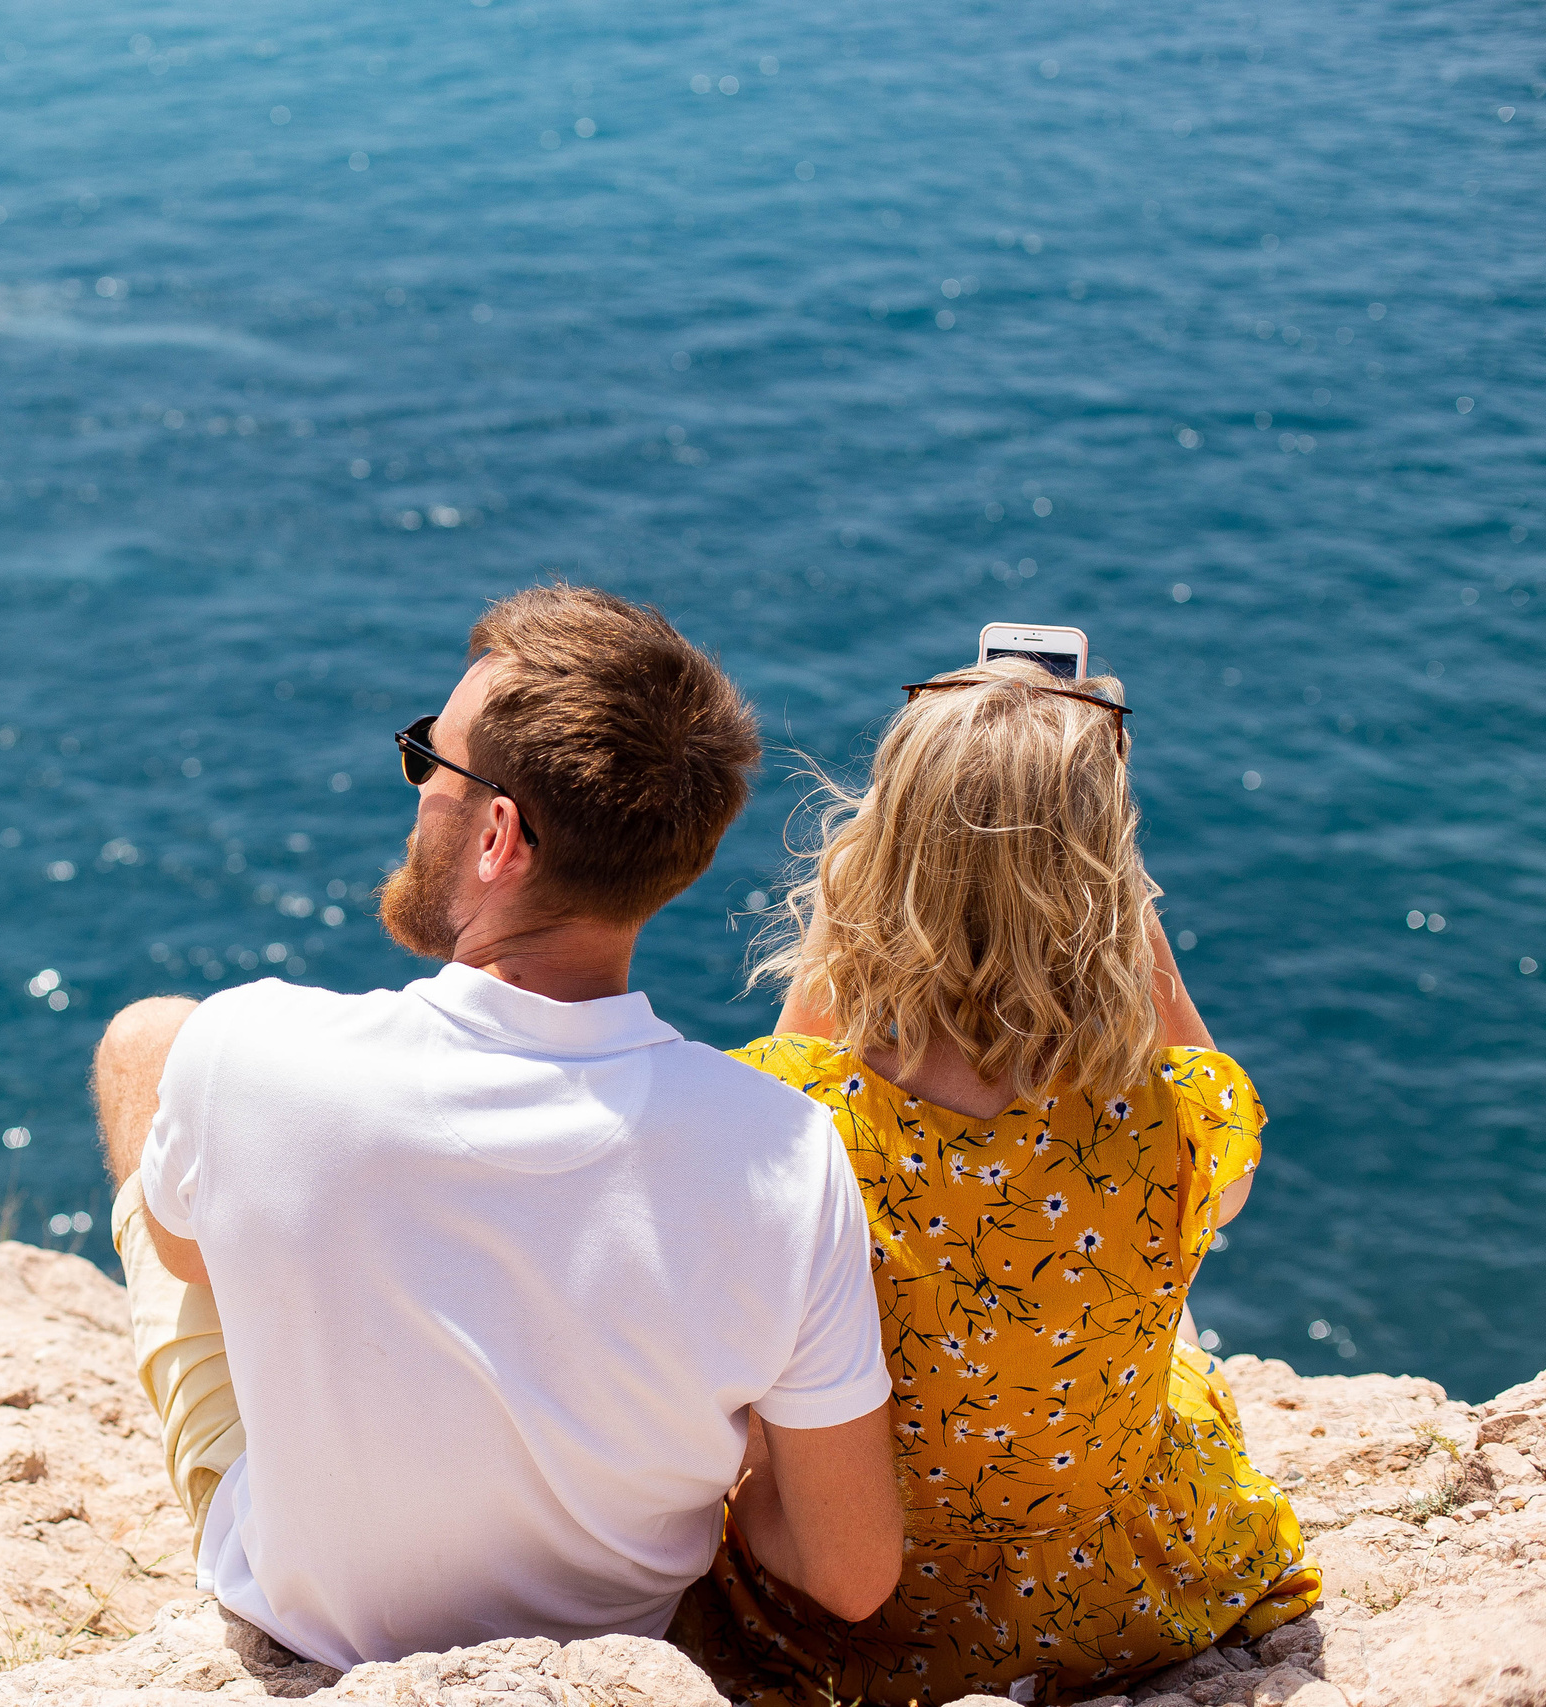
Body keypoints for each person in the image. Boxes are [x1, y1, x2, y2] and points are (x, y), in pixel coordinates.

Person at [92, 585, 903, 1672]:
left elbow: (192, 1257)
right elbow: (847, 1574)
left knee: (145, 1042)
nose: (419, 781)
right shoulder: (785, 1154)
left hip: (308, 1626)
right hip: (615, 1653)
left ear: (498, 836)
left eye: (432, 757)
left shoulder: (249, 1052)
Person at [671, 658, 1320, 1706]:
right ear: (1104, 874)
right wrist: (1127, 903)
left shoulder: (792, 1115)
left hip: (859, 1623)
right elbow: (1221, 1133)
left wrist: (859, 907)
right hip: (1123, 1603)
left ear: (880, 851)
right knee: (1176, 1303)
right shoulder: (1180, 1122)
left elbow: (776, 1122)